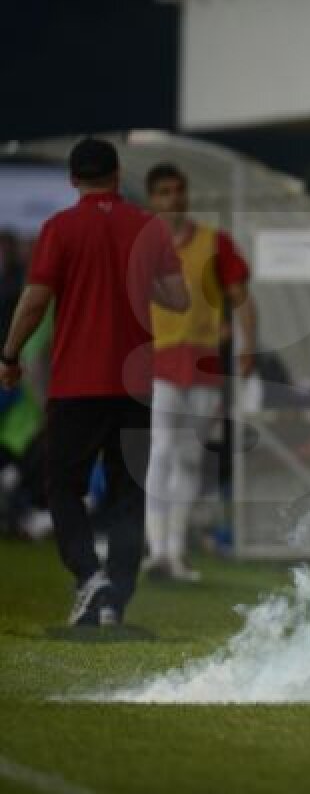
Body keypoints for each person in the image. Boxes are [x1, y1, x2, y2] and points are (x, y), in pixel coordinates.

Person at [0, 137, 188, 626]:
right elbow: (178, 299)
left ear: (72, 179)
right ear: (118, 172)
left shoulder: (59, 228)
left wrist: (10, 353)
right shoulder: (148, 227)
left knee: (63, 487)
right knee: (129, 491)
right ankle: (115, 602)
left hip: (77, 383)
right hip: (136, 382)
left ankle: (88, 576)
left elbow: (36, 301)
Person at [141, 163, 256, 581]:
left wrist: (247, 345)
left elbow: (241, 296)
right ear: (152, 199)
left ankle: (175, 551)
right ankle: (157, 550)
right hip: (159, 360)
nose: (173, 198)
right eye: (165, 192)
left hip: (205, 362)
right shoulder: (142, 245)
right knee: (162, 449)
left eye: (178, 190)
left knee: (190, 458)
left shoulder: (214, 242)